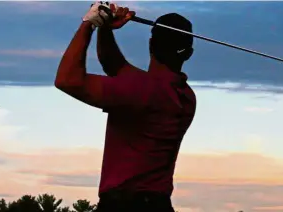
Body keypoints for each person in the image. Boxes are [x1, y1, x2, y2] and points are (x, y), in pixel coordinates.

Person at [54, 1, 197, 212]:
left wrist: (88, 24)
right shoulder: (186, 97)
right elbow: (114, 65)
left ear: (150, 45)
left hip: (123, 205)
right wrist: (104, 29)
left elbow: (67, 80)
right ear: (188, 54)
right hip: (159, 205)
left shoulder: (139, 89)